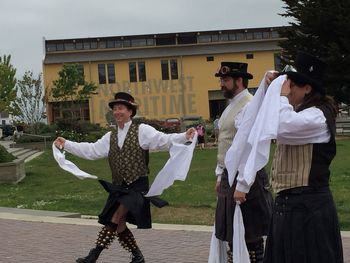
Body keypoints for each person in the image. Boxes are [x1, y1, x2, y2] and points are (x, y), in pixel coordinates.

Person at [54, 92, 196, 263]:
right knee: (119, 223)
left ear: (130, 111)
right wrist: (67, 144)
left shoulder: (142, 130)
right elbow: (91, 150)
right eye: (114, 109)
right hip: (119, 187)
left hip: (137, 186)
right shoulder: (110, 136)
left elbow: (163, 140)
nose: (117, 112)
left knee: (115, 216)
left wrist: (183, 136)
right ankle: (137, 256)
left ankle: (94, 255)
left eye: (120, 108)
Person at [235, 52, 344, 263]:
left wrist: (280, 97)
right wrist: (267, 90)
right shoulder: (293, 111)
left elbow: (281, 125)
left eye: (292, 84)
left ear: (308, 88)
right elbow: (245, 122)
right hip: (288, 206)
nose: (287, 88)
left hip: (309, 207)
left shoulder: (318, 117)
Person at [213, 62, 273, 263]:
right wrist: (220, 174)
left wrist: (243, 185)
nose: (222, 84)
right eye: (221, 79)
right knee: (233, 234)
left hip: (247, 175)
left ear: (239, 80)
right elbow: (226, 144)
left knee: (250, 234)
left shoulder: (248, 104)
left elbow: (249, 147)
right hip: (230, 175)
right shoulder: (231, 105)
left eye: (225, 80)